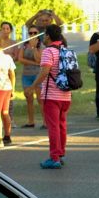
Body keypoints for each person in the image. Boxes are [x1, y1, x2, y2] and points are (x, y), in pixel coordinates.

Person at [26, 24, 71, 169]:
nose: (43, 37)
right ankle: (60, 153)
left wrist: (33, 86)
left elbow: (45, 71)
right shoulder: (65, 49)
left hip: (51, 94)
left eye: (44, 35)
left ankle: (54, 157)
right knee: (61, 125)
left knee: (53, 127)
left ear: (49, 36)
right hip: (65, 94)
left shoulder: (48, 51)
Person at [18, 26, 43, 128]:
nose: (32, 35)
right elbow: (20, 59)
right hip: (26, 75)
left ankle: (45, 122)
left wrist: (33, 48)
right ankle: (31, 121)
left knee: (40, 99)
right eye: (30, 33)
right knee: (29, 98)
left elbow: (40, 60)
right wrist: (33, 62)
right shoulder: (24, 45)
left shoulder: (41, 46)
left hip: (37, 74)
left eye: (35, 33)